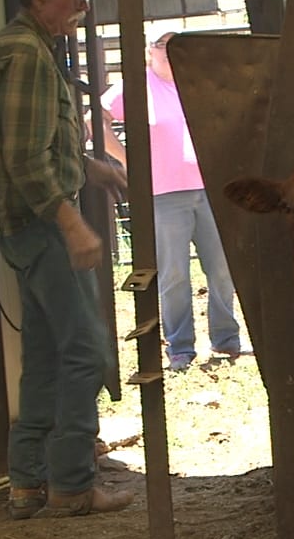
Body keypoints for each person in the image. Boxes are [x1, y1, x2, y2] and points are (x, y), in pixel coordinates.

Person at [0, 0, 133, 519]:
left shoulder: (20, 47)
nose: (83, 6)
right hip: (41, 225)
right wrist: (72, 223)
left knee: (44, 352)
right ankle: (71, 483)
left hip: (25, 224)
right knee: (86, 352)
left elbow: (29, 142)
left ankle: (27, 483)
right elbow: (23, 157)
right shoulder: (27, 55)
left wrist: (88, 166)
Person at [104, 27, 246, 371]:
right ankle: (180, 347)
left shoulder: (197, 83)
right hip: (164, 194)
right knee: (175, 274)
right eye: (162, 44)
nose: (168, 51)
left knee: (223, 268)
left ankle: (226, 340)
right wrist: (129, 160)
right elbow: (96, 120)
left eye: (175, 45)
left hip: (209, 189)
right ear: (149, 51)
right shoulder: (136, 87)